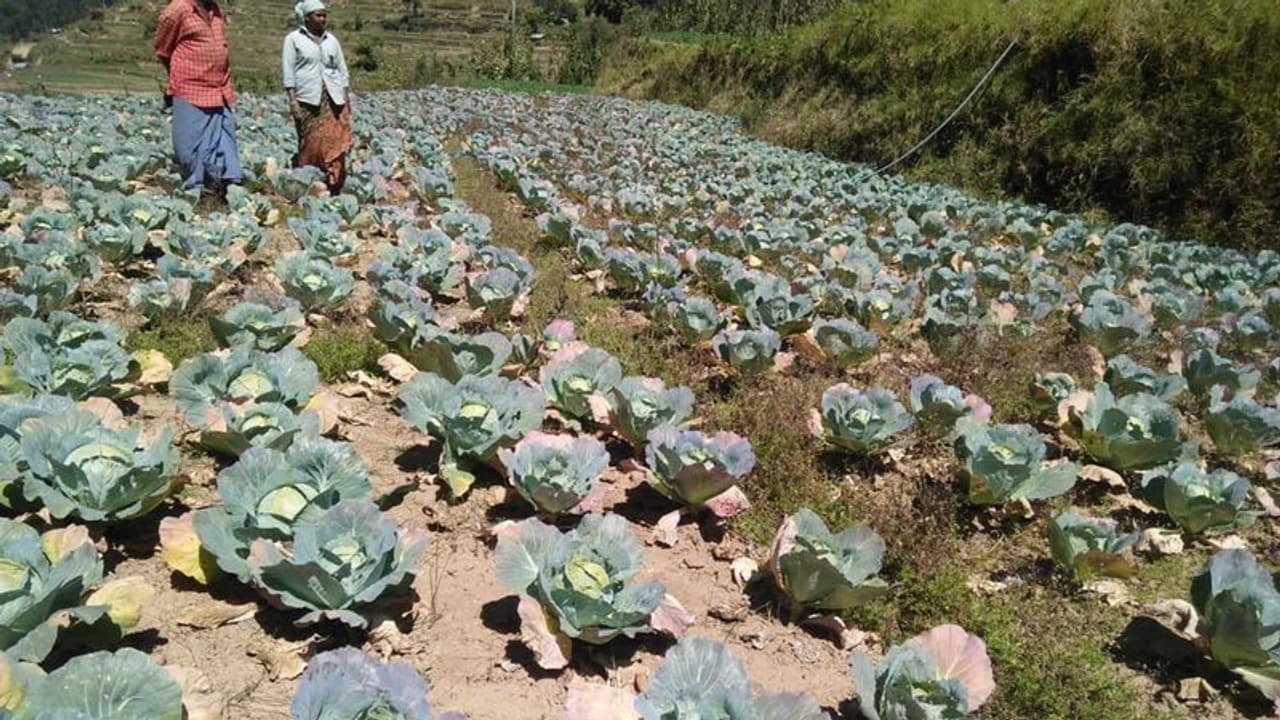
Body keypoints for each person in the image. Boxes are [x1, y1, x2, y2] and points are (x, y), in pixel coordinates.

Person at [153, 0, 244, 195]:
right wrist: (177, 73)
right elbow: (162, 48)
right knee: (191, 141)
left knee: (224, 135)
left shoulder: (214, 10)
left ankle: (223, 184)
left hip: (219, 87)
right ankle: (197, 187)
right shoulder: (177, 10)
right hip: (191, 87)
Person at [283, 0, 352, 194]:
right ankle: (309, 181)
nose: (322, 19)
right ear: (306, 18)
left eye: (324, 15)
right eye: (318, 15)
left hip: (333, 97)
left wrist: (346, 98)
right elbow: (288, 72)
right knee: (309, 140)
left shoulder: (332, 40)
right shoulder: (293, 39)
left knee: (334, 140)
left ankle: (333, 181)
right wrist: (292, 100)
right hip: (307, 98)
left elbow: (342, 70)